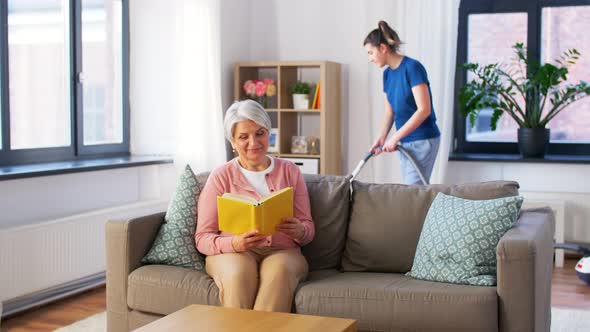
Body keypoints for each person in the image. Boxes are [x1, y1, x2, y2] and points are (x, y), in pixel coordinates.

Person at [195, 99, 315, 312]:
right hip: (233, 252)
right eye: (243, 136)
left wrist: (300, 230)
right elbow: (202, 238)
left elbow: (308, 229)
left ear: (268, 133)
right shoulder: (221, 176)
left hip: (282, 252)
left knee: (279, 272)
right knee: (238, 274)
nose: (254, 142)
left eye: (259, 133)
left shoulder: (290, 171)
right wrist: (234, 244)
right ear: (232, 141)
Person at [365, 20, 441, 185]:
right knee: (412, 191)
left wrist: (395, 138)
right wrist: (382, 138)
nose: (370, 58)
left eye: (371, 52)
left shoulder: (412, 68)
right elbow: (389, 112)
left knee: (413, 191)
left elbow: (424, 110)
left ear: (383, 48)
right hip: (405, 140)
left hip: (423, 139)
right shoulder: (387, 75)